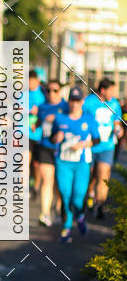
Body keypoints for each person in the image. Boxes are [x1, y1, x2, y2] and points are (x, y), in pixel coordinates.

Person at [51, 87, 99, 243]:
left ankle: (79, 215)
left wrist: (85, 144)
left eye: (77, 101)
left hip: (82, 163)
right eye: (72, 100)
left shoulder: (89, 119)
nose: (74, 104)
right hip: (63, 162)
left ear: (82, 101)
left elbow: (97, 139)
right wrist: (56, 137)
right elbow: (52, 137)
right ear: (69, 101)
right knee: (65, 195)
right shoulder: (60, 119)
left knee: (78, 197)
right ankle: (66, 228)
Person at [83, 78, 123, 220]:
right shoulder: (89, 102)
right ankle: (90, 196)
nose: (113, 93)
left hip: (107, 147)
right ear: (102, 90)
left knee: (103, 175)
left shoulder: (114, 104)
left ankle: (99, 205)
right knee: (91, 176)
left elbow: (117, 122)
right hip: (90, 146)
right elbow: (81, 119)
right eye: (111, 90)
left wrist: (119, 130)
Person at [35, 79, 68, 227]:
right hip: (45, 147)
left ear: (60, 91)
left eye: (55, 90)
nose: (51, 94)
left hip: (62, 149)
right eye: (48, 90)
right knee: (46, 180)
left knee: (59, 183)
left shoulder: (65, 106)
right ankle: (45, 213)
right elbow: (37, 122)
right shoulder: (42, 107)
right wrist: (34, 125)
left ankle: (59, 208)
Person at [28, 70, 46, 194]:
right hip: (25, 133)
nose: (29, 83)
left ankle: (37, 185)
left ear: (37, 81)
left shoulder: (42, 95)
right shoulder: (22, 94)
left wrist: (37, 122)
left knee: (36, 164)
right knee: (25, 160)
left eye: (32, 81)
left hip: (38, 134)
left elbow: (45, 113)